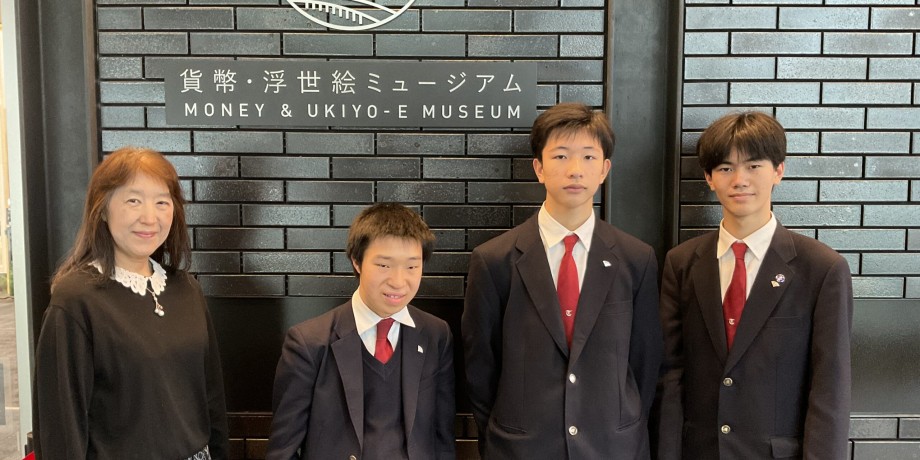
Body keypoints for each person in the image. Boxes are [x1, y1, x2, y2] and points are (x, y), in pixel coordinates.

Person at [462, 102, 663, 458]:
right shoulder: (494, 260)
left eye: (588, 157)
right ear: (539, 168)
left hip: (612, 447)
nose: (575, 170)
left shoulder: (635, 259)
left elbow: (644, 363)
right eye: (560, 156)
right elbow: (481, 367)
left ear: (604, 169)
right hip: (522, 449)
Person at [656, 112, 853, 459]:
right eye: (725, 168)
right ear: (709, 178)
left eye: (753, 166)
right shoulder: (682, 263)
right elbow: (672, 377)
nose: (739, 180)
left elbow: (830, 388)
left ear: (778, 171)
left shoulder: (822, 269)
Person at [33, 147, 229, 459]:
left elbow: (211, 398)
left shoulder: (187, 289)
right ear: (102, 208)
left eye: (162, 202)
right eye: (133, 201)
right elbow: (61, 425)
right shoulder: (75, 300)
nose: (149, 217)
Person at [266, 203, 455, 460]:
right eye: (384, 266)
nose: (399, 281)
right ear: (357, 261)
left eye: (412, 267)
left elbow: (443, 438)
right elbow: (283, 450)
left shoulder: (435, 335)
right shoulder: (308, 342)